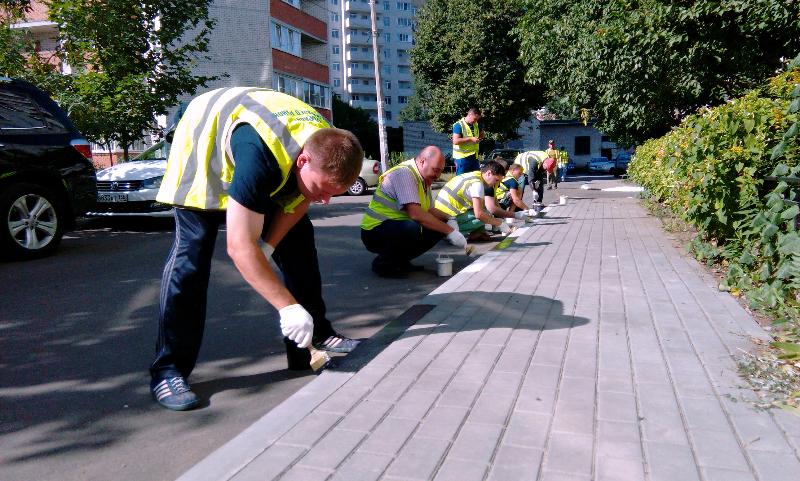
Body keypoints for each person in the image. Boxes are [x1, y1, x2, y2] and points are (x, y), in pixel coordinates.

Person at [150, 87, 364, 411]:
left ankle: (310, 343)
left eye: (333, 193)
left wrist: (268, 245)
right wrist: (286, 307)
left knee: (300, 248)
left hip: (269, 152)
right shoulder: (260, 155)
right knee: (191, 258)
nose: (325, 201)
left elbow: (300, 200)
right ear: (303, 160)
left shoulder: (324, 144)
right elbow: (238, 246)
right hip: (203, 145)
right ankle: (169, 370)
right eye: (322, 189)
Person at [361, 146, 468, 277]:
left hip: (394, 227)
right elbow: (416, 214)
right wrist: (450, 231)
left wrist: (450, 219)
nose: (438, 175)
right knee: (414, 227)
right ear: (422, 161)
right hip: (374, 231)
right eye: (435, 170)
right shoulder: (404, 174)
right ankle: (383, 264)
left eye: (440, 171)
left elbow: (430, 210)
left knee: (437, 227)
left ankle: (400, 261)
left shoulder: (423, 179)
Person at [434, 159, 511, 241]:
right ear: (489, 173)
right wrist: (500, 224)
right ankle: (449, 233)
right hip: (445, 217)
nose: (496, 184)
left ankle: (477, 233)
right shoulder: (477, 184)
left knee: (484, 211)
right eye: (496, 180)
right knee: (486, 215)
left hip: (441, 213)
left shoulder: (476, 175)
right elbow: (479, 215)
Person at [451, 107, 484, 175]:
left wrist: (480, 138)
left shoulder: (476, 125)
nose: (475, 121)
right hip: (462, 158)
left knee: (475, 178)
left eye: (477, 119)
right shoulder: (458, 125)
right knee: (461, 179)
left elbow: (482, 134)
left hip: (474, 157)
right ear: (469, 115)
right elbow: (455, 141)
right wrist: (471, 139)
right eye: (475, 119)